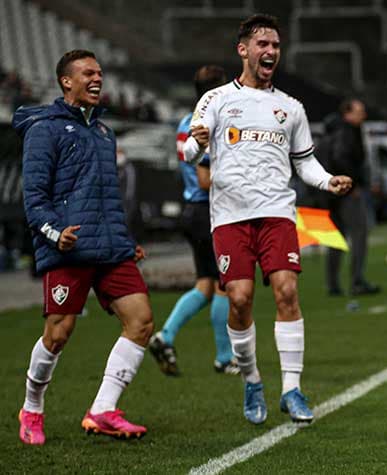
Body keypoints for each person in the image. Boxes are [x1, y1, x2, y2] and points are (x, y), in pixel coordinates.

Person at [182, 14, 352, 425]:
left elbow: (304, 162)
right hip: (229, 217)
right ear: (243, 50)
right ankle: (253, 379)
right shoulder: (216, 100)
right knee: (238, 299)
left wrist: (328, 181)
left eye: (275, 45)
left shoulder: (291, 108)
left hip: (277, 212)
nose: (271, 51)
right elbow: (188, 152)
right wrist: (197, 145)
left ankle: (292, 389)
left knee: (287, 292)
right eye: (262, 44)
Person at [14, 50, 154, 445]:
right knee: (58, 334)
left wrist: (126, 241)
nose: (97, 79)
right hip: (68, 248)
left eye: (100, 73)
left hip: (110, 249)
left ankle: (103, 410)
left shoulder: (104, 133)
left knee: (141, 320)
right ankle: (32, 408)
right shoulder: (45, 130)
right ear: (66, 81)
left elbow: (108, 198)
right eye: (88, 73)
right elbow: (35, 198)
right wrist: (55, 233)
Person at [148, 65, 238, 377]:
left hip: (192, 211)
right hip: (207, 210)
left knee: (205, 285)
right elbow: (204, 179)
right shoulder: (206, 125)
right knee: (225, 286)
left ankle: (166, 335)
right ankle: (225, 357)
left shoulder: (186, 122)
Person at [321, 99, 380, 296]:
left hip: (329, 192)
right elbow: (342, 158)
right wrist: (352, 183)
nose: (363, 115)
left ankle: (333, 284)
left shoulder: (332, 130)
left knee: (335, 238)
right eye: (359, 111)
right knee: (359, 234)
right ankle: (357, 281)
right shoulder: (347, 132)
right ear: (348, 113)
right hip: (345, 191)